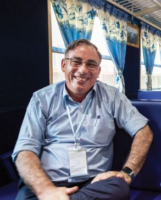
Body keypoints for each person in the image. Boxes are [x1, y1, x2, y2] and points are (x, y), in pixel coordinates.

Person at [12, 39, 153, 200]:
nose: (83, 70)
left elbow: (144, 132)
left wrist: (128, 171)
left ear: (98, 71)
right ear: (64, 65)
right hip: (47, 183)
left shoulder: (113, 97)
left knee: (118, 187)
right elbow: (25, 150)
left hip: (94, 184)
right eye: (76, 62)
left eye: (91, 64)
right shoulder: (41, 98)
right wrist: (46, 190)